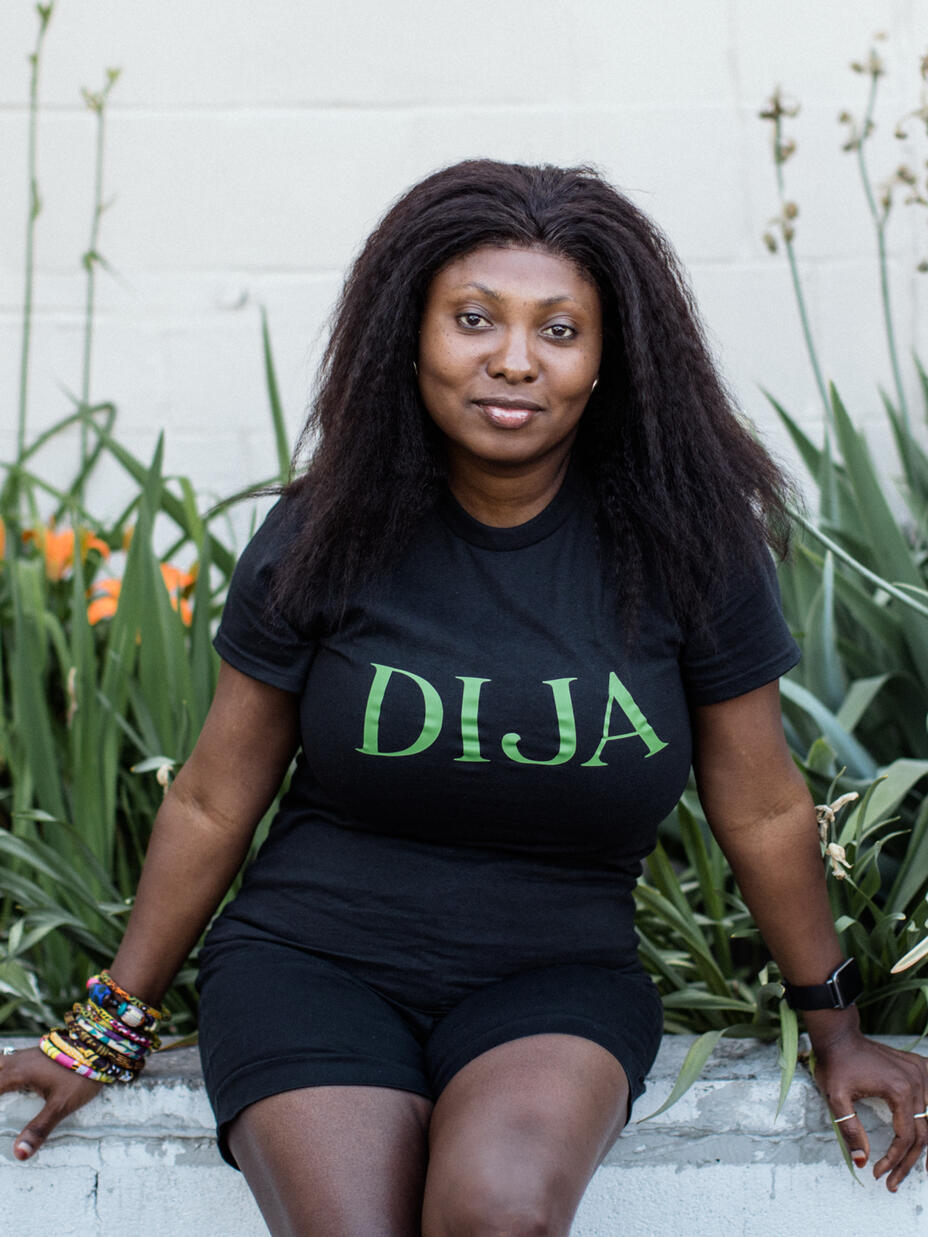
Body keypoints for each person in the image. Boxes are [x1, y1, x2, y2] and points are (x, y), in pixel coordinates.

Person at [2, 159, 926, 1234]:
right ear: (410, 336)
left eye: (559, 330)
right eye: (475, 319)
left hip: (558, 973)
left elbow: (762, 807)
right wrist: (103, 1029)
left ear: (609, 358)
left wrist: (836, 1028)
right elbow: (212, 799)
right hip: (312, 962)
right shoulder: (322, 536)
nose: (514, 360)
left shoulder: (689, 550)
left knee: (501, 1209)